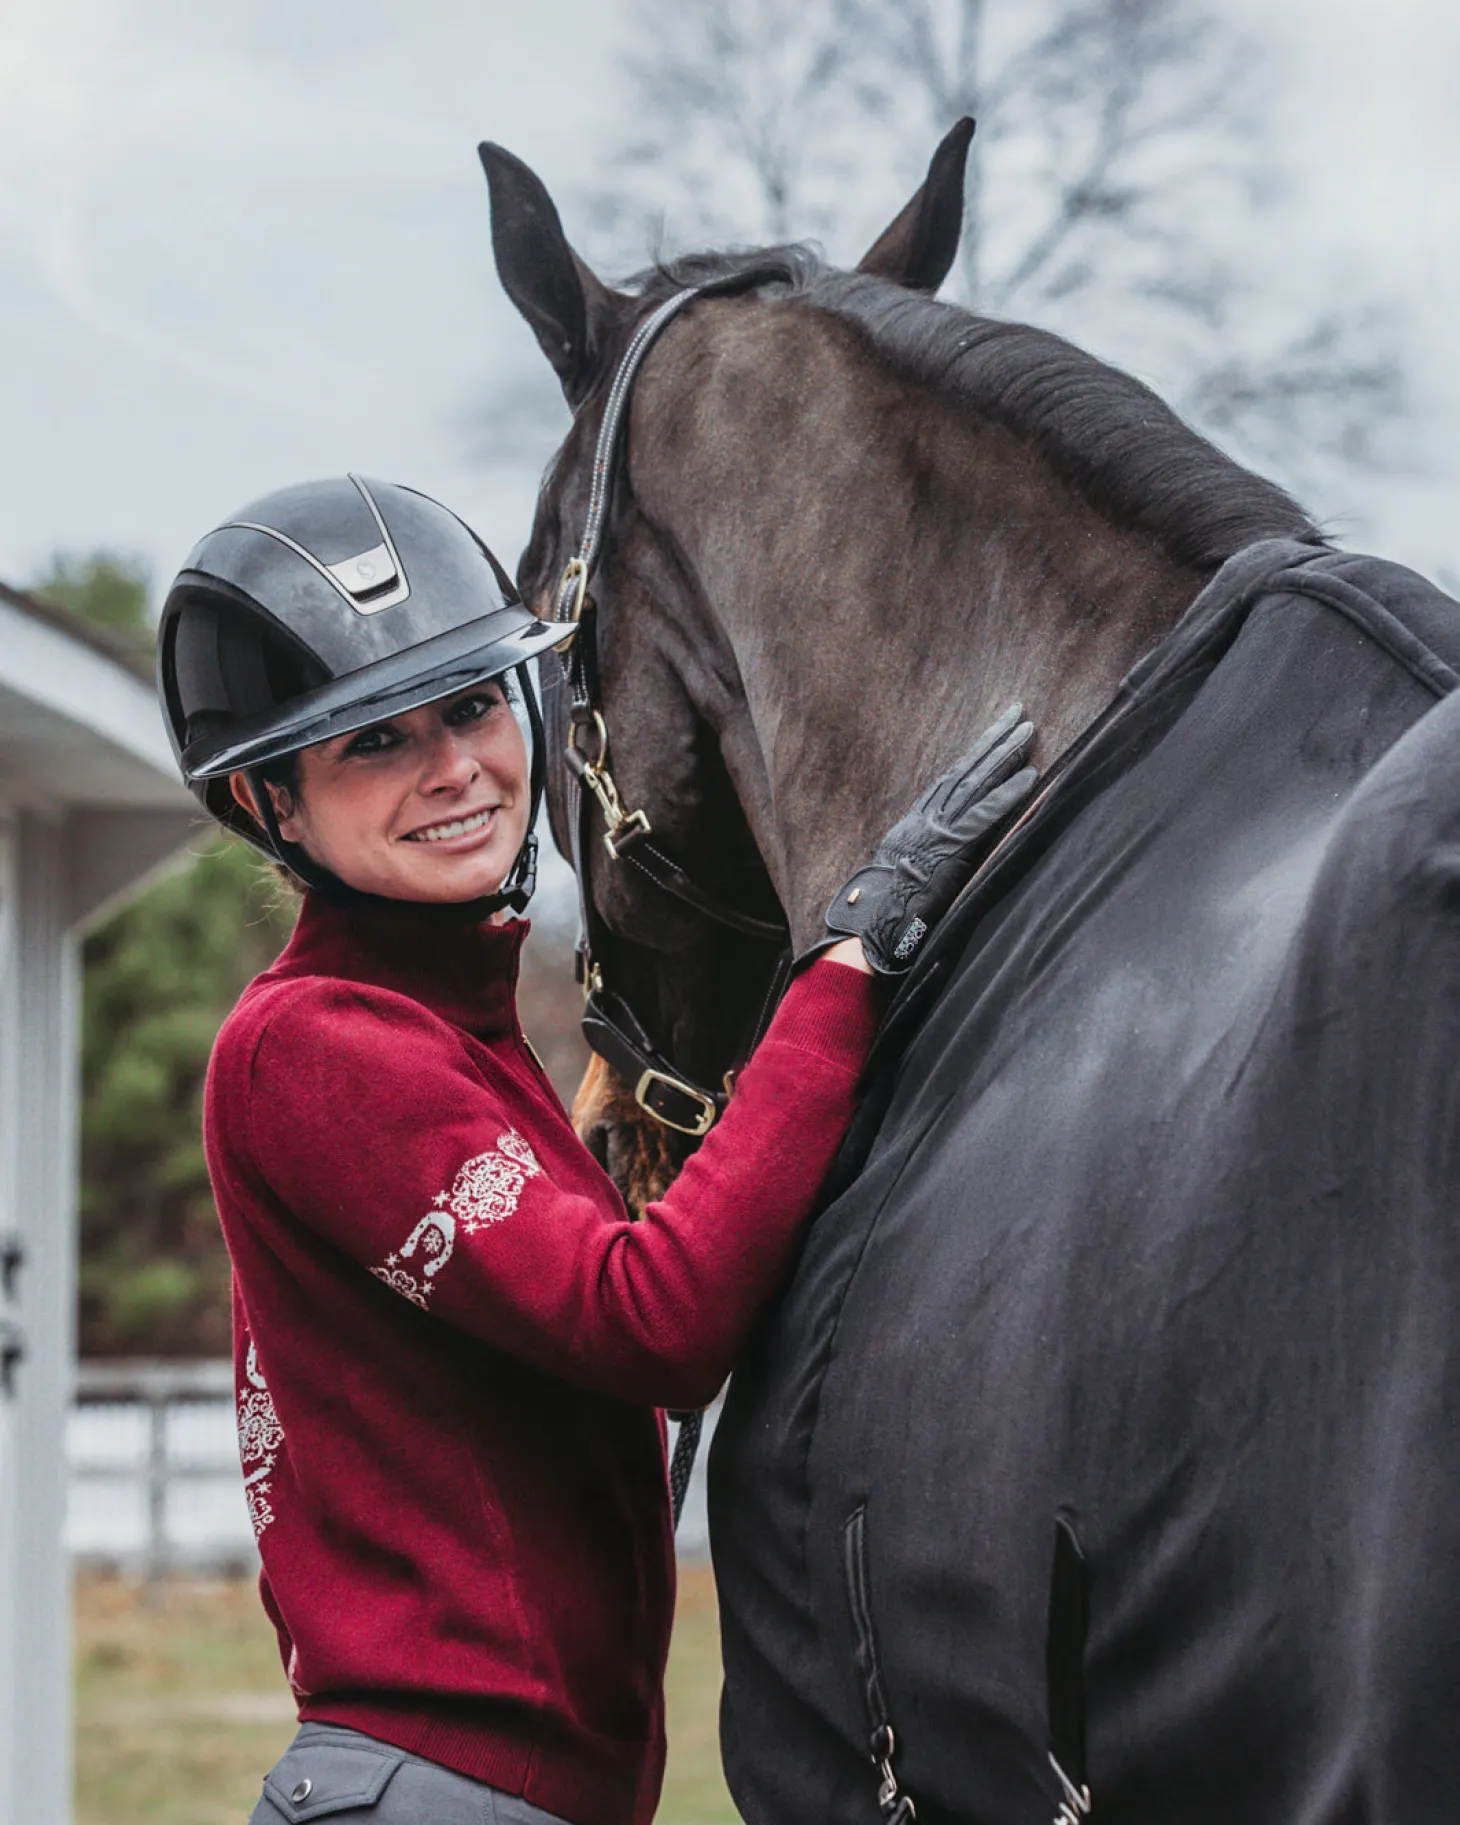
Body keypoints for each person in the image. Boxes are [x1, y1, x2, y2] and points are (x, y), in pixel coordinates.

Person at [157, 474, 1036, 1825]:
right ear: (270, 805)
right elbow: (654, 1319)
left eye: (468, 707)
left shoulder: (455, 1040)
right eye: (373, 745)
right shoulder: (312, 1047)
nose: (455, 770)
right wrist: (844, 968)